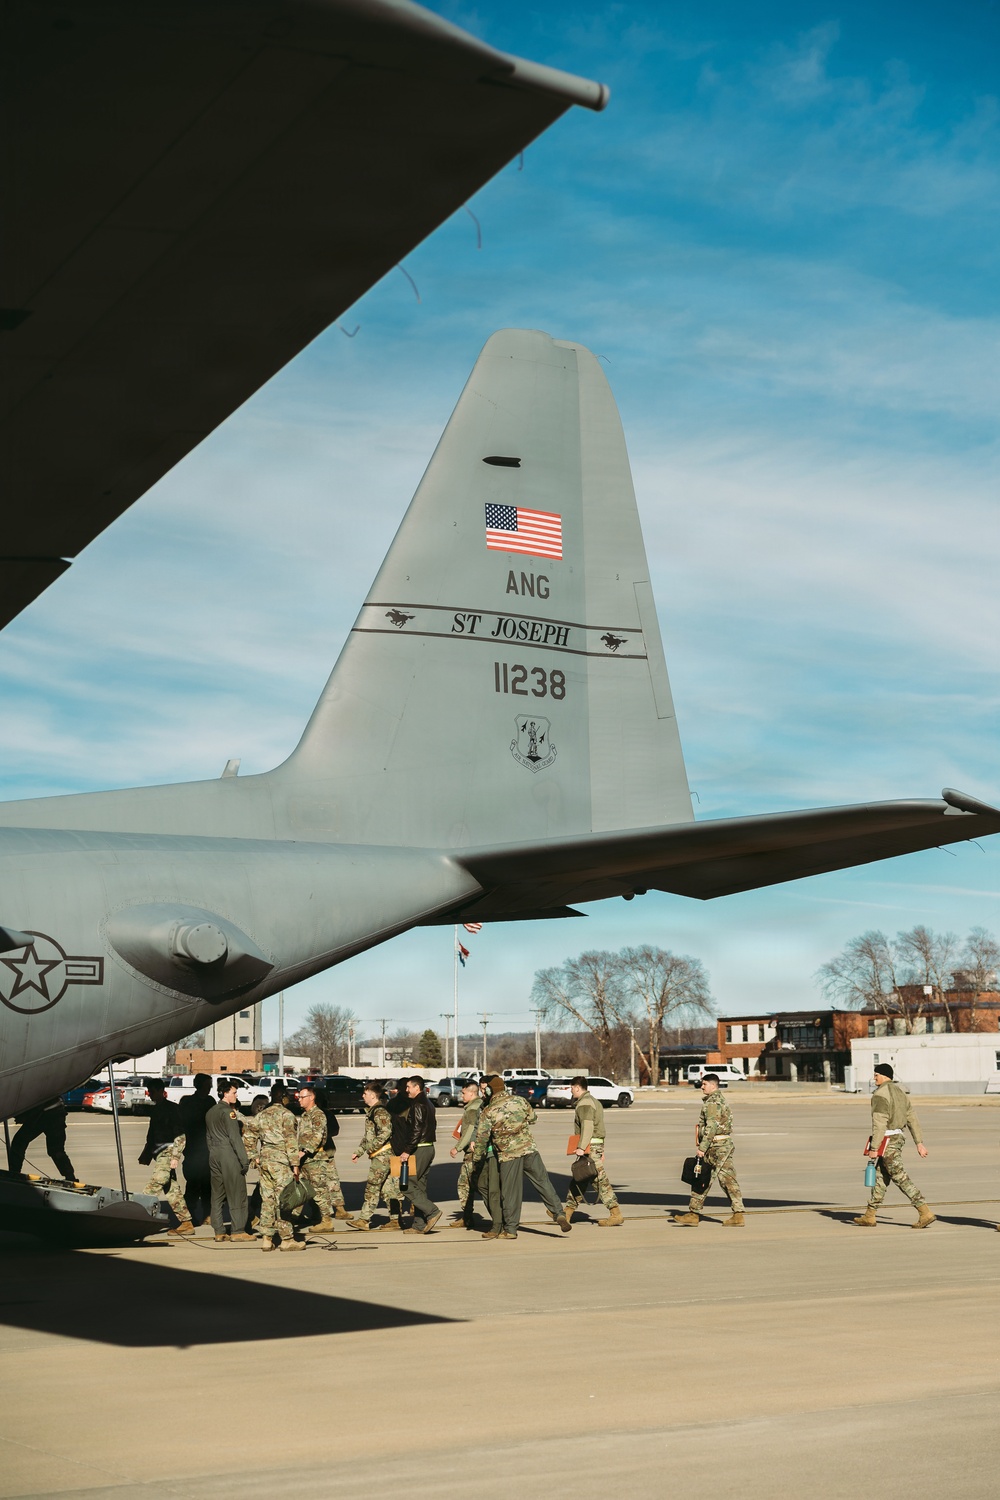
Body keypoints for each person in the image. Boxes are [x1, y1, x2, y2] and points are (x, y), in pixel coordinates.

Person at [472, 1075, 569, 1240]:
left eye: (484, 1089)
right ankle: (558, 1213)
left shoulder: (489, 1111)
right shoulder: (520, 1101)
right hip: (529, 1149)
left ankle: (510, 1229)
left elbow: (481, 1139)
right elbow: (533, 1119)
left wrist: (476, 1159)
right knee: (543, 1182)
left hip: (509, 1155)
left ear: (490, 1090)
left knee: (511, 1193)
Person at [854, 1063, 935, 1229]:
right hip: (898, 1138)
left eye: (876, 1075)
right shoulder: (900, 1093)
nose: (874, 1078)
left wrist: (874, 1148)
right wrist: (919, 1142)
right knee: (881, 1177)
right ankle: (870, 1215)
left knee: (899, 1176)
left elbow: (879, 1122)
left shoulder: (880, 1094)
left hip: (886, 1141)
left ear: (883, 1076)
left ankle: (924, 1211)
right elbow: (912, 1118)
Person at [673, 1073, 744, 1227]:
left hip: (717, 1148)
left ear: (713, 1085)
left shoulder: (713, 1103)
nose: (702, 1087)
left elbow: (711, 1127)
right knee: (717, 1179)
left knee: (706, 1179)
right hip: (720, 1146)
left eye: (704, 1084)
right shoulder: (717, 1100)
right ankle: (735, 1215)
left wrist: (702, 1148)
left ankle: (695, 1214)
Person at [243, 1082, 303, 1251]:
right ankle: (287, 1239)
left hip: (265, 1160)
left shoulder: (261, 1115)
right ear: (282, 1096)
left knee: (267, 1200)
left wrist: (254, 1157)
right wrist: (295, 1164)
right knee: (284, 1200)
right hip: (281, 1161)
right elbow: (291, 1142)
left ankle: (267, 1239)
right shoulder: (287, 1115)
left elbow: (248, 1136)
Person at [563, 1076, 623, 1227]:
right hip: (595, 1146)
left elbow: (588, 1127)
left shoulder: (584, 1104)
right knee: (579, 1178)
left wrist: (581, 1148)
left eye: (571, 1087)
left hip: (590, 1148)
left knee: (599, 1181)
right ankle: (567, 1212)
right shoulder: (593, 1101)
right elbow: (599, 1127)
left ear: (577, 1087)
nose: (571, 1090)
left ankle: (615, 1214)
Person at [138, 1079, 194, 1235]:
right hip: (159, 1153)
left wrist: (176, 1156)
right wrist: (147, 1154)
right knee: (171, 1189)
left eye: (152, 1091)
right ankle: (186, 1222)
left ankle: (138, 1215)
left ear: (160, 1090)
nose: (149, 1094)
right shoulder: (156, 1110)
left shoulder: (172, 1109)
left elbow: (180, 1134)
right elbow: (152, 1135)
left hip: (168, 1153)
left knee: (155, 1184)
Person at [205, 1079, 254, 1243]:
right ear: (225, 1093)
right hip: (228, 1154)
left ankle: (219, 1230)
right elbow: (235, 1138)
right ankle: (238, 1230)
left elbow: (208, 1137)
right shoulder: (229, 1112)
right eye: (234, 1092)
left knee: (217, 1194)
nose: (236, 1095)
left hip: (214, 1154)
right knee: (237, 1193)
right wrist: (244, 1160)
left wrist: (213, 1154)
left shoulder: (210, 1111)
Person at [346, 1083, 394, 1229]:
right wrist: (359, 1152)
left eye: (365, 1093)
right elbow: (368, 1136)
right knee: (388, 1190)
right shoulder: (372, 1112)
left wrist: (373, 1147)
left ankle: (364, 1219)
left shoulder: (379, 1112)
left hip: (382, 1155)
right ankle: (396, 1219)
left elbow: (386, 1132)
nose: (363, 1096)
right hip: (381, 1154)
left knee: (372, 1187)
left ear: (373, 1095)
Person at [450, 1078, 494, 1230]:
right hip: (477, 1151)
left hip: (472, 1152)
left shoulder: (473, 1109)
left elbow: (469, 1130)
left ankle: (493, 1217)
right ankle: (468, 1217)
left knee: (466, 1184)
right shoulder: (477, 1106)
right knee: (475, 1184)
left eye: (463, 1093)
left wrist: (457, 1147)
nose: (461, 1095)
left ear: (471, 1093)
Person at [296, 1085, 336, 1234]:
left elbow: (318, 1136)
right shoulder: (305, 1115)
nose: (299, 1100)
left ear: (311, 1098)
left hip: (315, 1159)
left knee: (319, 1190)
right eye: (299, 1097)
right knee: (300, 1189)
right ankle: (292, 1217)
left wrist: (305, 1151)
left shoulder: (317, 1114)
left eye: (302, 1097)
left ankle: (326, 1221)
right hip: (305, 1159)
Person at [400, 1075, 438, 1229]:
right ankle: (419, 1224)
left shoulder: (418, 1105)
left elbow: (416, 1130)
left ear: (417, 1087)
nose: (406, 1090)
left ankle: (432, 1211)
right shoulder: (428, 1103)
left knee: (406, 1185)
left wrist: (407, 1150)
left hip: (420, 1149)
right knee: (420, 1187)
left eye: (409, 1087)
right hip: (428, 1147)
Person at [8, 1096, 75, 1180]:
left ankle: (14, 1173)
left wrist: (22, 1116)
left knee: (19, 1142)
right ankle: (70, 1176)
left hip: (45, 1113)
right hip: (50, 1112)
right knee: (56, 1150)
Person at [177, 1073, 214, 1225]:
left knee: (207, 1185)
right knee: (192, 1185)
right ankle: (189, 1215)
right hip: (192, 1149)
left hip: (207, 1150)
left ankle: (207, 1214)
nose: (210, 1088)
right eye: (207, 1085)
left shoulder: (211, 1102)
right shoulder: (188, 1102)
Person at [313, 1085, 349, 1220]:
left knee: (331, 1182)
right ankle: (316, 1212)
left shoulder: (325, 1114)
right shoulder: (310, 1115)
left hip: (325, 1153)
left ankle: (338, 1209)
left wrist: (322, 1135)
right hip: (315, 1154)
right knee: (315, 1184)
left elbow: (335, 1129)